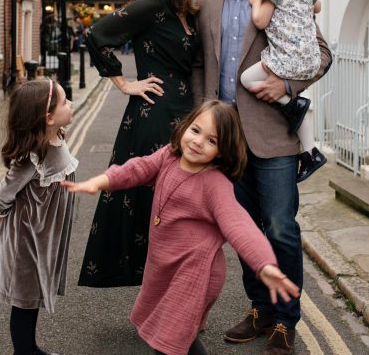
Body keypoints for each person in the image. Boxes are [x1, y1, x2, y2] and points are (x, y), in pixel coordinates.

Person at [62, 101, 300, 355]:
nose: (198, 142)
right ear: (185, 126)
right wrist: (101, 181)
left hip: (195, 272)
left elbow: (239, 224)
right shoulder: (169, 156)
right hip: (165, 265)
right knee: (176, 336)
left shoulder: (215, 185)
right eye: (196, 131)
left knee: (168, 340)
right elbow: (139, 168)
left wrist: (264, 264)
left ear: (223, 151)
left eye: (212, 141)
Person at [192, 0, 331, 355]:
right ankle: (259, 308)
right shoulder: (206, 5)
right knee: (245, 230)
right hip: (225, 140)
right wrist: (202, 115)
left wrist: (288, 88)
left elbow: (322, 53)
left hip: (272, 136)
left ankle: (286, 318)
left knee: (280, 228)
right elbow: (200, 65)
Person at [78, 0, 207, 288]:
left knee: (180, 208)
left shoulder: (187, 10)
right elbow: (97, 34)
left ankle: (173, 293)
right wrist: (125, 84)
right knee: (156, 206)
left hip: (185, 117)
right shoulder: (152, 5)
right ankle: (164, 297)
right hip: (152, 119)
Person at [0, 79, 77, 355]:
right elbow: (4, 191)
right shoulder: (31, 157)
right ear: (48, 117)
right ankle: (24, 352)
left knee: (31, 297)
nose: (70, 104)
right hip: (26, 241)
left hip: (43, 235)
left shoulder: (57, 136)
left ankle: (30, 348)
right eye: (64, 102)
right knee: (23, 301)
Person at [240, 0, 327, 182]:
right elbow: (317, 8)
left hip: (284, 61)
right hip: (309, 62)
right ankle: (311, 153)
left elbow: (260, 21)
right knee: (298, 113)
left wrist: (256, 1)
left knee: (246, 79)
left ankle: (291, 103)